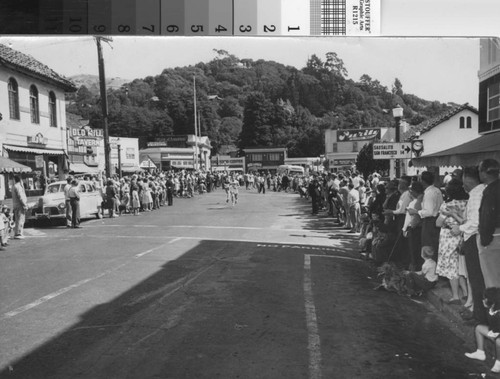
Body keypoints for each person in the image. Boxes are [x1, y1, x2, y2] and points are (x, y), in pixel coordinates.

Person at [451, 166, 487, 323]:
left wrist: (459, 228)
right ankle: (479, 313)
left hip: (474, 239)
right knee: (478, 279)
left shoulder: (476, 194)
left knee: (476, 278)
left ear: (467, 179)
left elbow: (474, 223)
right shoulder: (481, 191)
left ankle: (480, 317)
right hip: (479, 239)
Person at [435, 178, 469, 304]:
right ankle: (465, 293)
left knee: (450, 267)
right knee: (460, 266)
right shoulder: (467, 202)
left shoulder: (447, 205)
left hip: (448, 236)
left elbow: (438, 223)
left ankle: (455, 296)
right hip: (463, 235)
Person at [464, 287, 500, 373]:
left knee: (499, 341)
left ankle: (498, 363)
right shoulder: (490, 309)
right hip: (495, 332)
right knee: (478, 328)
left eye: (484, 299)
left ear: (492, 301)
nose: (482, 300)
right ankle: (480, 353)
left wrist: (496, 334)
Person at [408, 171, 443, 256]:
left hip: (430, 221)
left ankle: (429, 266)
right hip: (435, 220)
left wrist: (415, 211)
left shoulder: (429, 193)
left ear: (423, 181)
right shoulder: (437, 190)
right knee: (433, 245)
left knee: (428, 246)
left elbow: (429, 212)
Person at [477, 159, 500, 287]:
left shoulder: (490, 191)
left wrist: (484, 240)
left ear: (484, 173)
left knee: (493, 280)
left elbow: (487, 217)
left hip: (493, 238)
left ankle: (496, 305)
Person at [403, 181, 425, 271]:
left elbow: (408, 219)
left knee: (413, 251)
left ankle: (414, 269)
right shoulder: (424, 200)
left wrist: (404, 229)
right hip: (422, 228)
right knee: (419, 250)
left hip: (413, 228)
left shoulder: (413, 203)